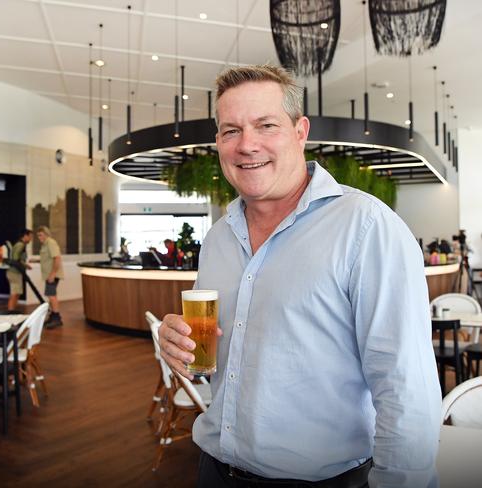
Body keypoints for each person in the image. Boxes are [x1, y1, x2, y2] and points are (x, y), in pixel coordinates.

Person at [158, 65, 441, 487]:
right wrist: (177, 347)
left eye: (265, 125)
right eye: (230, 130)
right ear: (218, 141)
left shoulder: (366, 227)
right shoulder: (218, 237)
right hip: (214, 471)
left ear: (299, 130)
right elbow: (216, 362)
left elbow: (406, 390)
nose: (246, 145)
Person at [36, 226, 64, 327]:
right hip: (49, 275)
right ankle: (53, 316)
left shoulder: (50, 242)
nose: (39, 238)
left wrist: (53, 274)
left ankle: (56, 318)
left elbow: (57, 258)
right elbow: (47, 259)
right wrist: (35, 261)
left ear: (46, 234)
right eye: (38, 236)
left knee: (52, 296)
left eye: (41, 235)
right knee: (50, 295)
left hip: (52, 274)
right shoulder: (44, 245)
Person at [6, 229, 33, 312]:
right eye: (30, 237)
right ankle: (10, 311)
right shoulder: (20, 245)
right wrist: (26, 265)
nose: (31, 239)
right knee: (14, 293)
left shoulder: (20, 245)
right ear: (25, 236)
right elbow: (16, 259)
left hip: (16, 273)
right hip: (14, 273)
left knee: (17, 293)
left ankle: (12, 309)